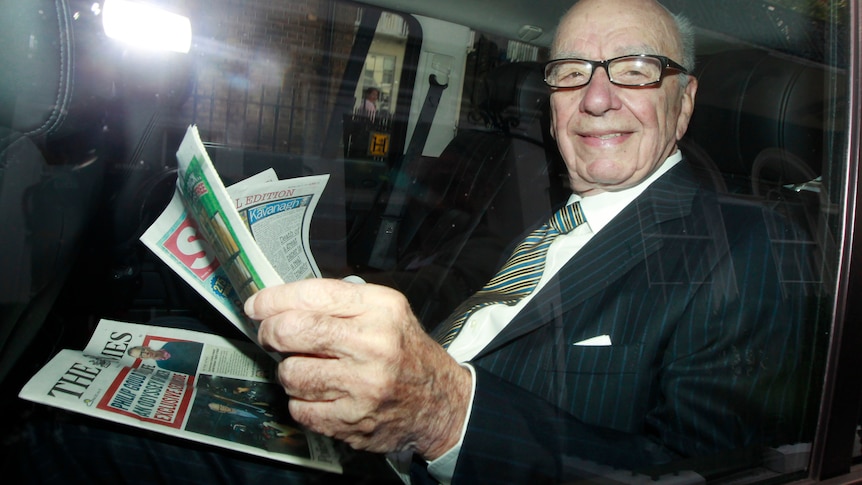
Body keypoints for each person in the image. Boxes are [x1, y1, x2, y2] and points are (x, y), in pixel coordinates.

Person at [246, 0, 816, 483]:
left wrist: (444, 414)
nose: (596, 98)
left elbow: (698, 474)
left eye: (636, 68)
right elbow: (459, 296)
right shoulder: (546, 218)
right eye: (572, 71)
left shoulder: (747, 247)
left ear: (685, 101)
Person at [127, 340, 204, 375]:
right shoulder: (162, 366)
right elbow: (188, 372)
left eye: (143, 349)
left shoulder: (170, 345)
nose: (146, 353)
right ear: (142, 358)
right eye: (142, 354)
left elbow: (198, 346)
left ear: (146, 347)